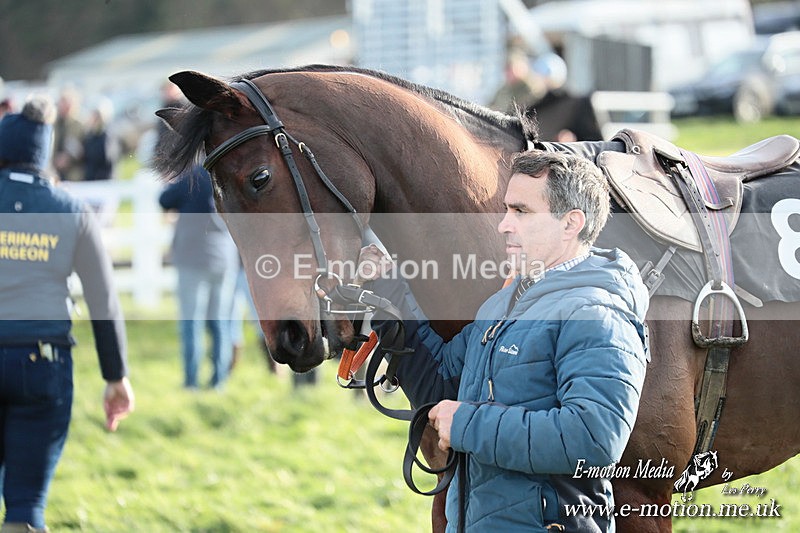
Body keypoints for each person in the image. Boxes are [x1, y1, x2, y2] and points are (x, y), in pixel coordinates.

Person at [361, 150, 649, 531]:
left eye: (521, 212)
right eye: (507, 209)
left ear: (571, 223)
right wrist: (385, 289)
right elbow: (441, 383)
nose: (503, 225)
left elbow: (594, 439)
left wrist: (467, 426)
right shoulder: (503, 303)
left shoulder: (596, 313)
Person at [0, 94, 135, 532]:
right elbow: (103, 298)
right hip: (43, 360)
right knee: (26, 505)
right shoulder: (72, 211)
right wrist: (116, 376)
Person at [159, 165, 238, 390]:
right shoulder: (228, 175)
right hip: (224, 257)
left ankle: (191, 381)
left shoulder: (191, 177)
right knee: (220, 321)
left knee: (191, 322)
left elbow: (164, 200)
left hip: (192, 258)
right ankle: (218, 381)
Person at [52, 87, 84, 183]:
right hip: (54, 173)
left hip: (73, 175)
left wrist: (68, 159)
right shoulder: (52, 124)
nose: (65, 107)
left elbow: (84, 151)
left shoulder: (79, 126)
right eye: (63, 103)